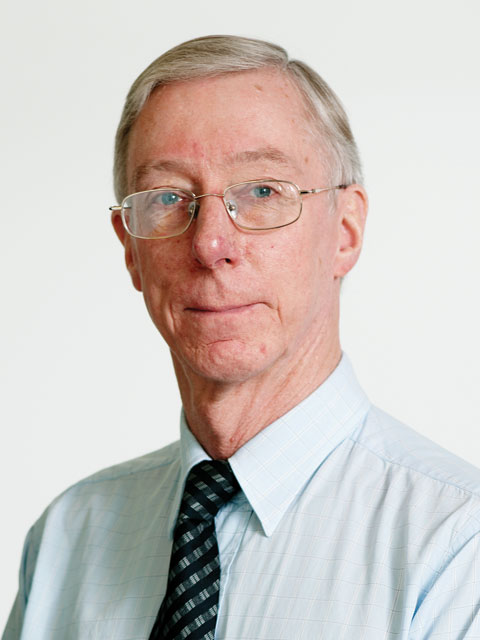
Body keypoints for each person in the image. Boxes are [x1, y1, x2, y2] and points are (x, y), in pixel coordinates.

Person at [3, 34, 480, 640]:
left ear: (346, 231)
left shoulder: (457, 548)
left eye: (261, 191)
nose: (209, 244)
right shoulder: (65, 540)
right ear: (129, 249)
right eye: (169, 198)